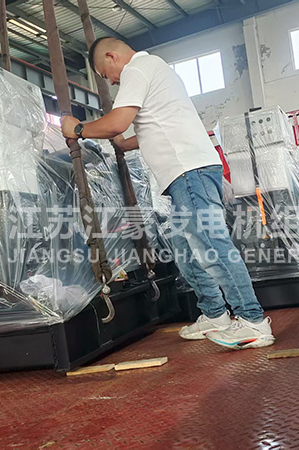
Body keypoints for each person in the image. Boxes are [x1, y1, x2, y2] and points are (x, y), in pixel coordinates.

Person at [60, 37, 274, 349]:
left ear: (112, 56)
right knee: (184, 249)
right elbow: (155, 126)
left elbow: (117, 123)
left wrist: (78, 129)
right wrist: (122, 144)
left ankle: (252, 320)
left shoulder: (137, 69)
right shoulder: (157, 70)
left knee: (211, 246)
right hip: (186, 174)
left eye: (106, 74)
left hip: (189, 172)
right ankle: (215, 314)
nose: (112, 81)